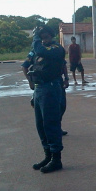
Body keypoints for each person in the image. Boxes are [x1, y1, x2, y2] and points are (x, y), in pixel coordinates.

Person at [22, 26, 66, 173]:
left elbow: (40, 50)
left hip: (51, 88)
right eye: (41, 37)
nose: (43, 40)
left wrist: (35, 39)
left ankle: (56, 159)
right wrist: (32, 87)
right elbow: (26, 65)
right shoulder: (37, 50)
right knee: (40, 125)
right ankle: (48, 155)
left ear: (51, 37)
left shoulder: (56, 48)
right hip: (40, 88)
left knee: (51, 124)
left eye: (46, 37)